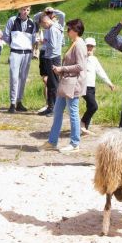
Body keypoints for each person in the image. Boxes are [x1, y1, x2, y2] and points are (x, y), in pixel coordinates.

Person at [41, 19, 87, 153]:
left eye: (69, 29)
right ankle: (52, 141)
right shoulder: (75, 43)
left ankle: (74, 143)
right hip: (66, 84)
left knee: (73, 113)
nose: (67, 32)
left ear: (76, 30)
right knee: (57, 112)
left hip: (73, 84)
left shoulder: (79, 45)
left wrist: (62, 69)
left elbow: (80, 66)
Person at [3, 6, 37, 113]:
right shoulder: (12, 20)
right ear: (19, 10)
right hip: (15, 52)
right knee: (14, 77)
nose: (25, 12)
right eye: (23, 9)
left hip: (27, 53)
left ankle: (19, 102)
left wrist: (28, 47)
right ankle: (12, 103)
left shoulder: (32, 23)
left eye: (27, 10)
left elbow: (33, 38)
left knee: (23, 78)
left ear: (29, 11)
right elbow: (6, 35)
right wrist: (14, 44)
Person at [33, 7, 66, 116]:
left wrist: (44, 42)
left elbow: (53, 45)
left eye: (43, 25)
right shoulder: (51, 27)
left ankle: (55, 108)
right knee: (51, 83)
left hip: (53, 57)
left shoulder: (53, 28)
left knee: (54, 84)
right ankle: (50, 107)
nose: (43, 27)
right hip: (50, 57)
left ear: (45, 21)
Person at [81, 37, 115, 135]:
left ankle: (84, 129)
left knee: (89, 106)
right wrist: (85, 56)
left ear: (94, 47)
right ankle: (82, 123)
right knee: (94, 106)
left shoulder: (94, 59)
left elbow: (101, 72)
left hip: (92, 86)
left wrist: (109, 83)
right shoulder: (81, 57)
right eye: (88, 46)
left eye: (91, 46)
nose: (89, 48)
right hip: (83, 85)